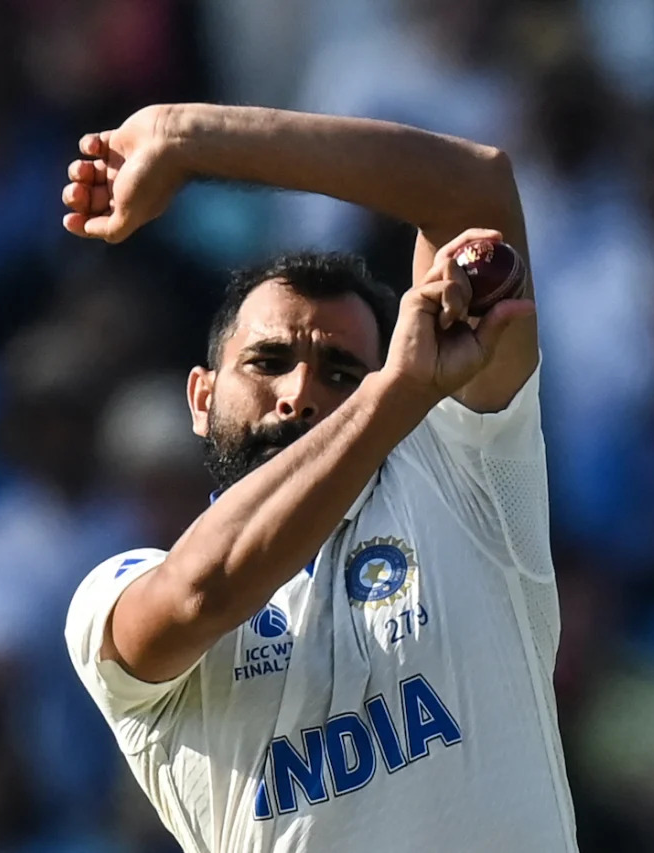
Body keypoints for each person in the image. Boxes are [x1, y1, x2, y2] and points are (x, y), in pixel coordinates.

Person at [60, 103, 576, 851]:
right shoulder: (114, 591)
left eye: (342, 372)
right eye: (268, 362)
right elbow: (206, 591)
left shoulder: (463, 479)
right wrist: (391, 391)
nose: (300, 395)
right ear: (201, 398)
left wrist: (188, 136)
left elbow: (474, 188)